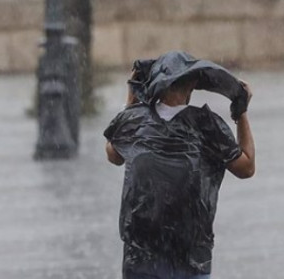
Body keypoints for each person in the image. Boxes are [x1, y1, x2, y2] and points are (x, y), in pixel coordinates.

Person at [104, 52, 255, 279]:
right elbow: (247, 167)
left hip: (142, 257)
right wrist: (241, 112)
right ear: (194, 82)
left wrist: (132, 98)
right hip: (189, 256)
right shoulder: (206, 124)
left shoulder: (134, 120)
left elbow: (113, 155)